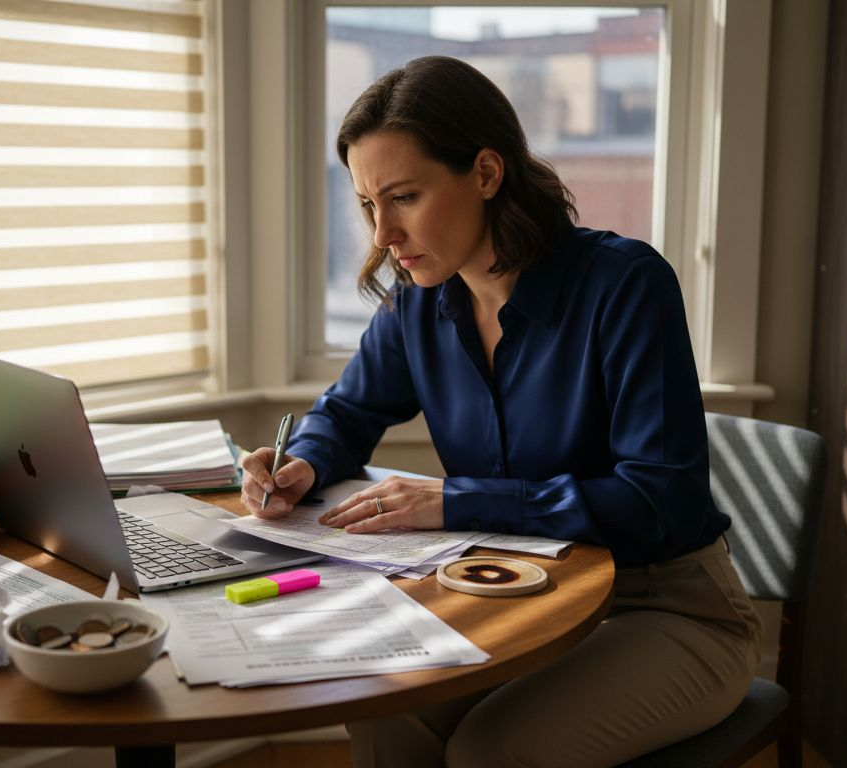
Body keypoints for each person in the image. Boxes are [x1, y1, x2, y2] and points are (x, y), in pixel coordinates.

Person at [239, 56, 762, 768]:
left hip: (667, 606)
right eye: (367, 205)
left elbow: (659, 500)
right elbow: (347, 412)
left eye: (404, 197)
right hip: (522, 598)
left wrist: (459, 500)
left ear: (486, 173)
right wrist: (302, 460)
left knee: (491, 751)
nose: (382, 235)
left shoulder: (625, 285)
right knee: (383, 704)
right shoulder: (418, 304)